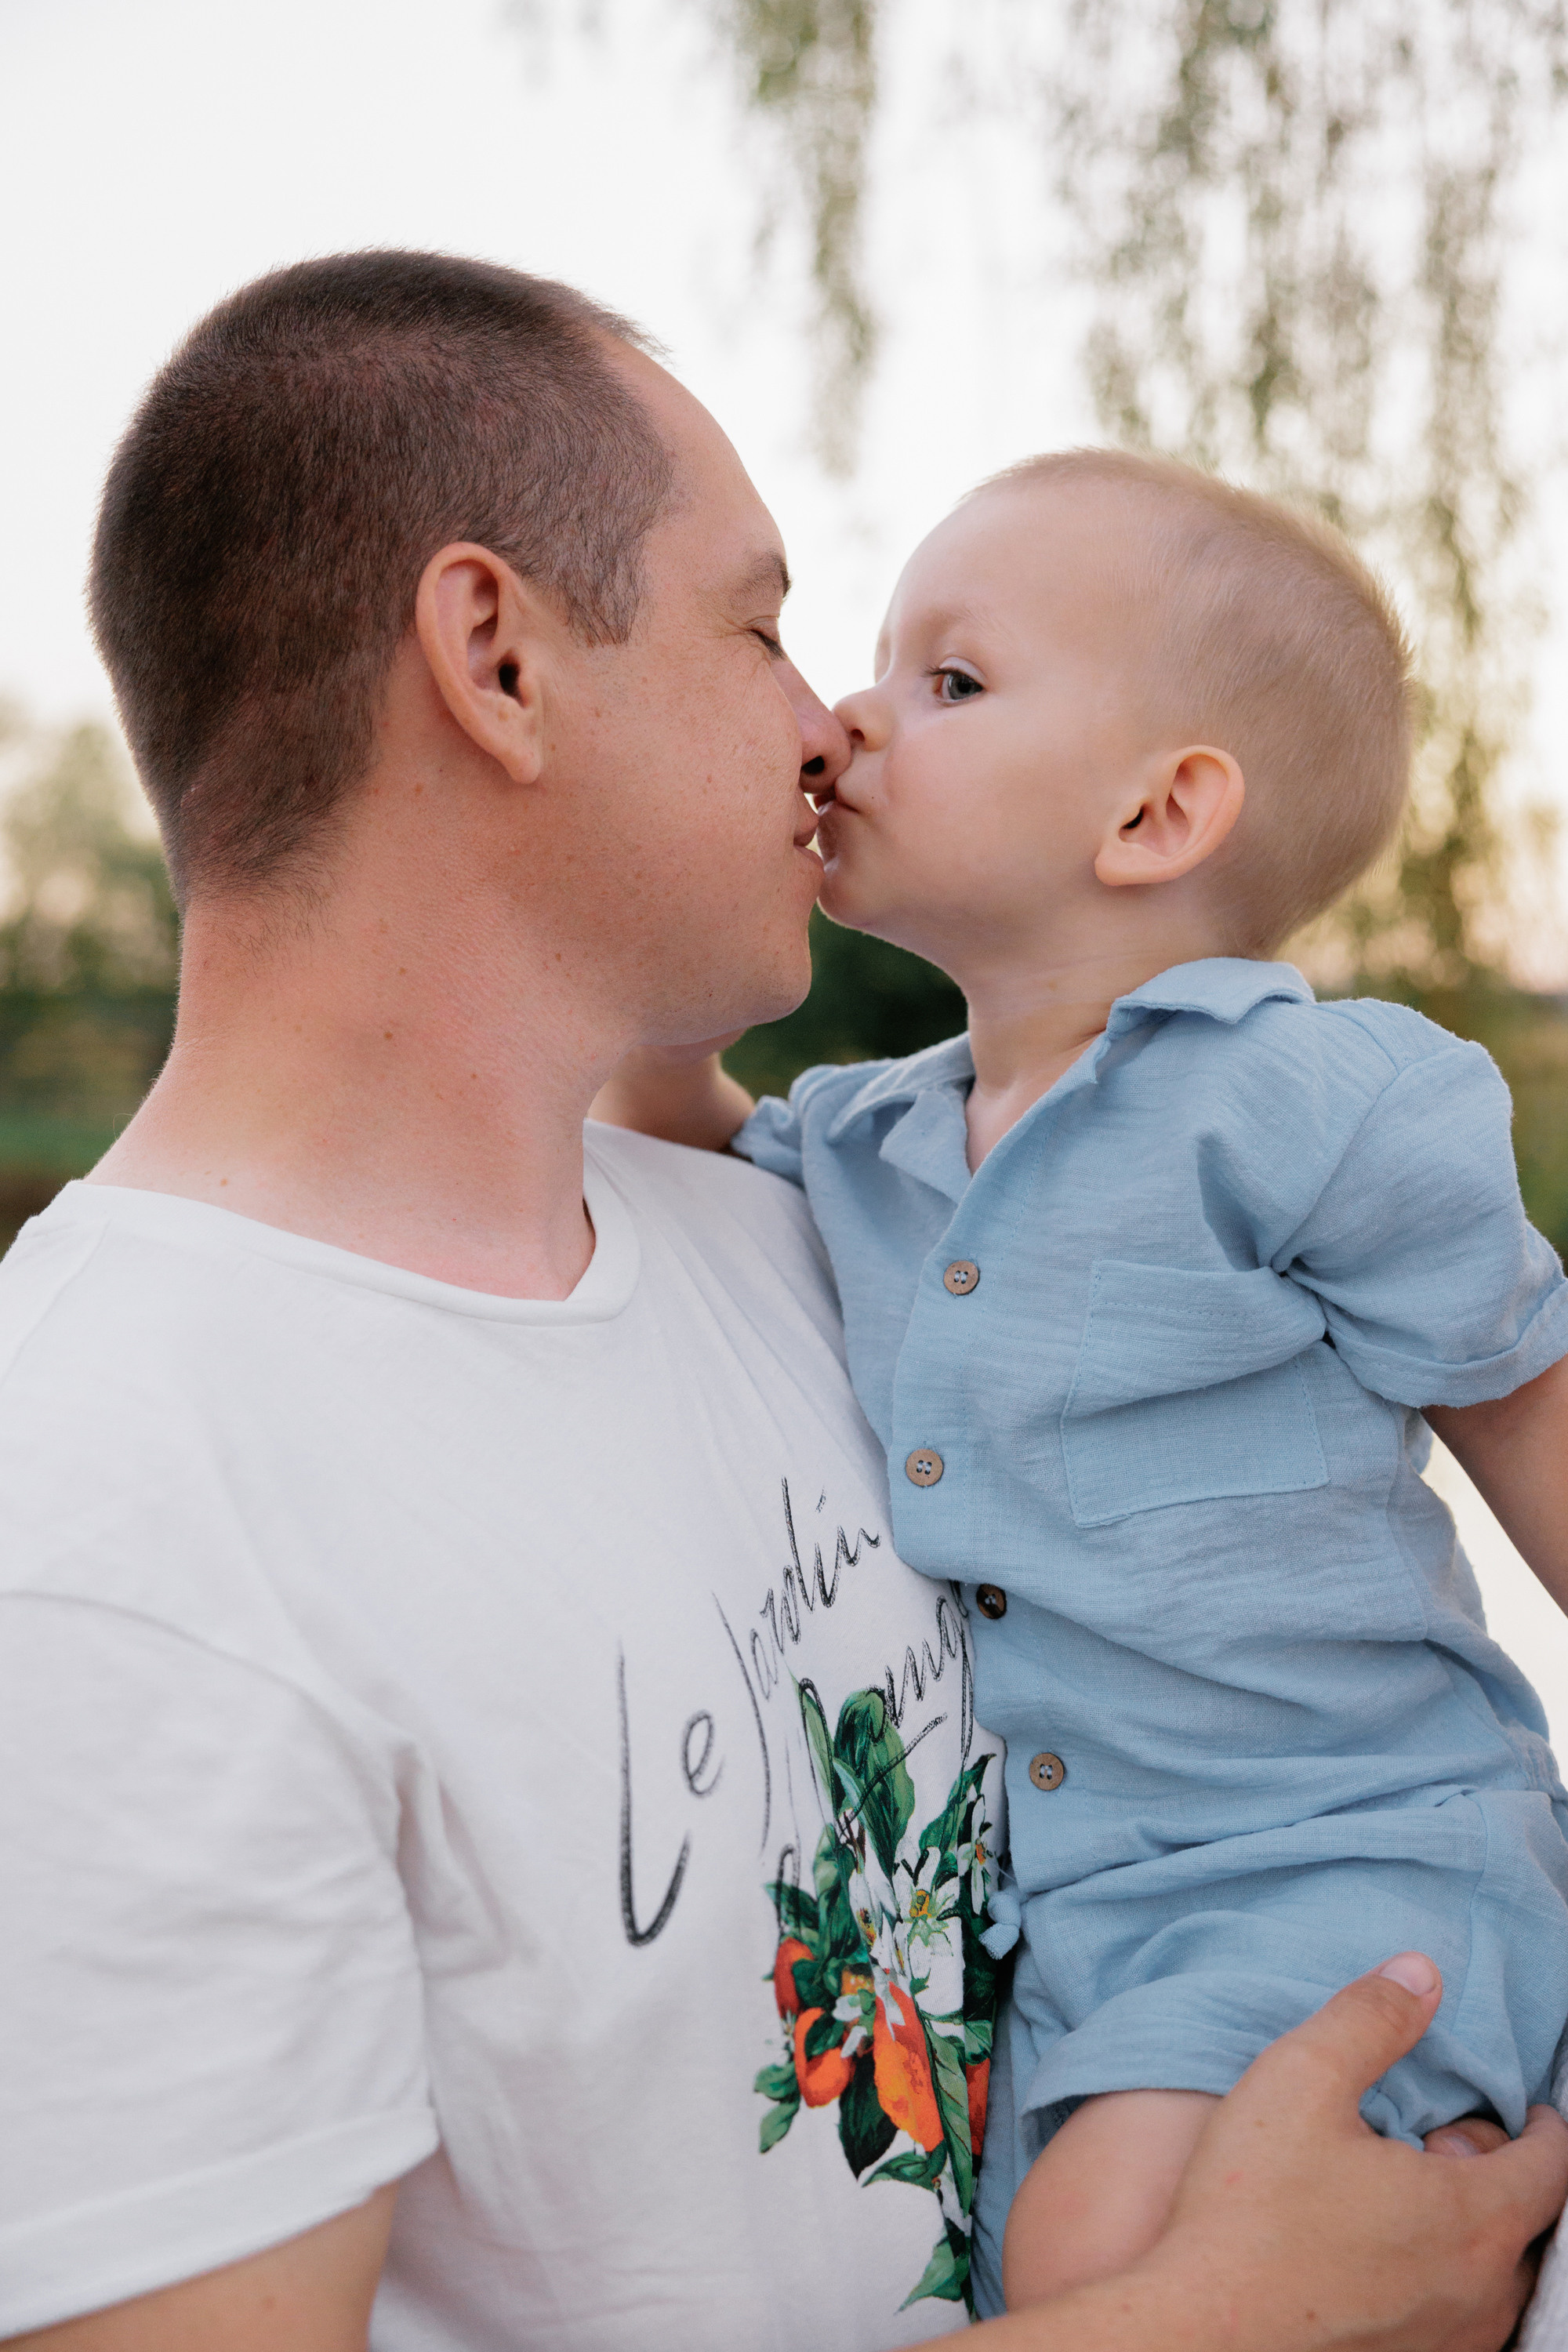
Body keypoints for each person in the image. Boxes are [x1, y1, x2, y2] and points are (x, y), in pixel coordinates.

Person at [0, 256, 1563, 2352]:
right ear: (497, 657)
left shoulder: (789, 1230)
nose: (822, 718)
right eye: (762, 624)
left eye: (918, 675)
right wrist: (1217, 2323)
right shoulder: (117, 1539)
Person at [593, 451, 1568, 2316]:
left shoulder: (1307, 1101)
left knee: (1097, 2258)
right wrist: (667, 939)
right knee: (1012, 2243)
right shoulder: (866, 1144)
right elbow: (675, 1123)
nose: (851, 715)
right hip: (1076, 1927)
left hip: (1345, 1858)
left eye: (947, 682)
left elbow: (1531, 1413)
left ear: (1156, 814)